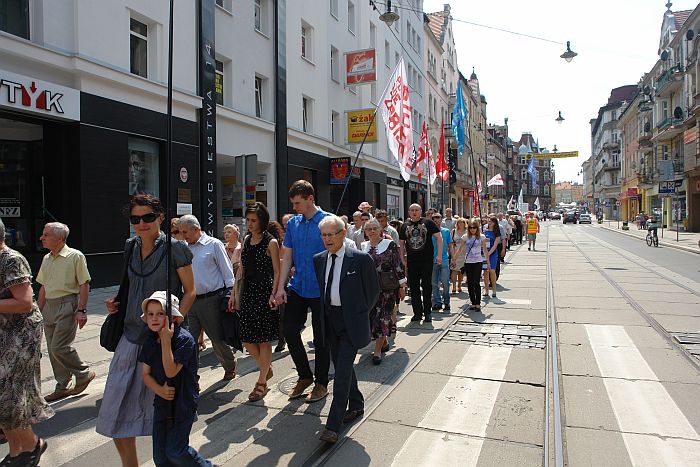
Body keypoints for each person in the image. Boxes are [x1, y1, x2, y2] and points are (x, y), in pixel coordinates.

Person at [97, 194, 196, 467]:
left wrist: (174, 323)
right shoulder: (130, 247)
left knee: (164, 415)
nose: (141, 223)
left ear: (160, 217)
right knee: (114, 410)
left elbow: (190, 291)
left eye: (148, 217)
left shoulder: (175, 249)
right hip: (129, 337)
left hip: (161, 340)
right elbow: (129, 288)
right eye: (135, 219)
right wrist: (116, 304)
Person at [314, 216, 380, 444]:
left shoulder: (360, 260)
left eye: (331, 234)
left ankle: (333, 425)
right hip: (330, 321)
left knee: (340, 373)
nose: (327, 239)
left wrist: (358, 314)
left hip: (351, 323)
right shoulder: (319, 259)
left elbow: (372, 293)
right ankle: (357, 403)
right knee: (342, 366)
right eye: (324, 235)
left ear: (343, 234)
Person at [0, 219, 52, 467]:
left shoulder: (11, 260)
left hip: (20, 335)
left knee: (10, 394)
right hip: (3, 333)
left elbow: (24, 303)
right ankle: (20, 448)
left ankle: (28, 447)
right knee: (6, 395)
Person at [274, 180, 332, 403]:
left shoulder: (327, 221)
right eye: (293, 203)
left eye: (298, 203)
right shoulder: (294, 224)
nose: (295, 207)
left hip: (321, 289)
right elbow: (287, 257)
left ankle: (321, 383)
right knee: (289, 331)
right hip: (298, 287)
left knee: (321, 339)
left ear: (310, 199)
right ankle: (304, 376)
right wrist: (280, 288)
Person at [138, 292, 211, 467]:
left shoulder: (184, 340)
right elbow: (145, 375)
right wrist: (159, 390)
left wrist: (165, 342)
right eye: (150, 314)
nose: (154, 318)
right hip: (162, 402)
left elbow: (170, 372)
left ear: (173, 318)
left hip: (183, 402)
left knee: (176, 450)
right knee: (161, 457)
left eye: (161, 313)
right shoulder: (149, 340)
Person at [36, 222, 95, 402]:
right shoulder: (46, 259)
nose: (41, 237)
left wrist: (82, 310)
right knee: (53, 351)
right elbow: (44, 287)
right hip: (49, 307)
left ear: (60, 238)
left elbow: (84, 283)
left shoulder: (75, 256)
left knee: (59, 347)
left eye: (46, 235)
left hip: (67, 303)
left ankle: (84, 373)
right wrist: (38, 311)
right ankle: (62, 386)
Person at [178, 215, 237, 381]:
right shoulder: (183, 247)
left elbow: (228, 273)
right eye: (181, 232)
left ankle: (229, 365)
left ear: (196, 229)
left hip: (212, 299)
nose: (183, 236)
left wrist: (230, 295)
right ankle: (191, 377)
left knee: (217, 337)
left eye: (185, 232)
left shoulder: (214, 244)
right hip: (189, 301)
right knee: (189, 340)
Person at [236, 203, 280, 402]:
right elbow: (241, 268)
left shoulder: (271, 243)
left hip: (264, 293)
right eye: (248, 220)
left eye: (253, 220)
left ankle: (261, 382)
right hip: (247, 293)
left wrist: (274, 294)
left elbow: (277, 272)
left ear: (262, 220)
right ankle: (266, 366)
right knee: (246, 339)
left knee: (263, 339)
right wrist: (233, 293)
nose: (250, 224)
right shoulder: (245, 240)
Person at [361, 219, 406, 364]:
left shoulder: (389, 244)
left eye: (375, 228)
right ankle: (384, 341)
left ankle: (377, 351)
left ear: (381, 230)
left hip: (387, 289)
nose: (372, 231)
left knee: (383, 317)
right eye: (369, 229)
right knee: (372, 318)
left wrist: (402, 286)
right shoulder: (363, 246)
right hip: (369, 289)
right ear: (365, 232)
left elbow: (397, 264)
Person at [399, 204, 442, 323]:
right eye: (412, 210)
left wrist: (439, 255)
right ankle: (417, 312)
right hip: (412, 261)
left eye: (416, 210)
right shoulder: (404, 226)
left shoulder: (428, 223)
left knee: (427, 286)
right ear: (408, 212)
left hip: (427, 260)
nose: (414, 212)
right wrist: (402, 258)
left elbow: (439, 237)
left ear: (420, 211)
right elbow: (401, 243)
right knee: (414, 287)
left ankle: (428, 312)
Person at [453, 218, 490, 311]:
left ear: (477, 228)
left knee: (476, 282)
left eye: (474, 227)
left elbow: (485, 250)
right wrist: (454, 259)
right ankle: (473, 302)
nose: (472, 229)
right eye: (470, 227)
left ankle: (478, 303)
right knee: (469, 283)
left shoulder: (482, 237)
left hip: (478, 261)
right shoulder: (465, 237)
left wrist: (488, 262)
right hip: (468, 262)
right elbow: (460, 249)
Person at [268, 220, 286, 353]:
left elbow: (284, 262)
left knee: (279, 312)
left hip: (278, 279)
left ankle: (281, 338)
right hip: (276, 279)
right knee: (279, 312)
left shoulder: (279, 245)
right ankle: (280, 338)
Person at [430, 213, 453, 312]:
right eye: (435, 221)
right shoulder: (429, 232)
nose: (437, 222)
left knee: (445, 282)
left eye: (438, 220)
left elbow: (450, 245)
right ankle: (437, 302)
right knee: (434, 283)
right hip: (432, 260)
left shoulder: (446, 231)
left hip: (444, 259)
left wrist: (453, 258)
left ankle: (446, 301)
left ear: (441, 221)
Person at [483, 217, 501, 300]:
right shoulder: (484, 231)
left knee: (492, 271)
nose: (489, 223)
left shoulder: (496, 233)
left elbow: (495, 245)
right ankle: (486, 290)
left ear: (495, 223)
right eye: (489, 221)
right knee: (485, 272)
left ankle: (494, 290)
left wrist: (489, 253)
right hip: (484, 252)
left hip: (493, 253)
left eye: (491, 222)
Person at [450, 218, 468, 294]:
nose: (460, 224)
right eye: (459, 223)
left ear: (464, 224)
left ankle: (459, 285)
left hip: (464, 253)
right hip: (455, 252)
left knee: (461, 271)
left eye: (462, 223)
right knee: (454, 270)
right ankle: (454, 286)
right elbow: (450, 242)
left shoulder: (467, 232)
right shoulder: (453, 231)